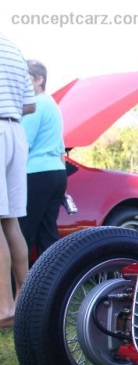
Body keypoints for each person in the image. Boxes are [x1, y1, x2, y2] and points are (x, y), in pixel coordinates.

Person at [0, 34, 35, 328]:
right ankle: (24, 303)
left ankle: (4, 308)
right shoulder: (13, 47)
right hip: (14, 132)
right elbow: (30, 105)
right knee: (11, 221)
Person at [21, 59, 67, 261]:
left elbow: (23, 143)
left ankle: (16, 288)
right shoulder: (52, 105)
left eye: (26, 77)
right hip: (57, 173)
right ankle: (53, 287)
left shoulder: (36, 104)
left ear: (40, 79)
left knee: (24, 233)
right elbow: (61, 148)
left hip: (36, 174)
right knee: (47, 235)